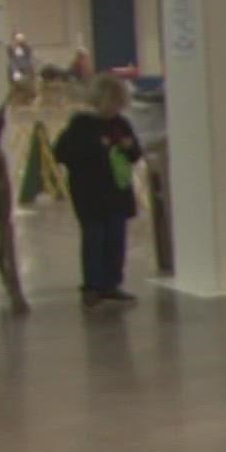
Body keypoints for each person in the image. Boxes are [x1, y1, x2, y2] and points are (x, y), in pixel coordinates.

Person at [53, 76, 142, 308]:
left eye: (119, 103)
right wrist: (95, 147)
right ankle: (92, 286)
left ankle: (111, 284)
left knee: (116, 239)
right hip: (89, 192)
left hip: (116, 192)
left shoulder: (121, 124)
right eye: (112, 102)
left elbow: (135, 153)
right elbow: (61, 153)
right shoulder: (81, 124)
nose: (115, 107)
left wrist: (129, 147)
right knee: (94, 238)